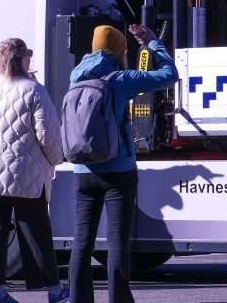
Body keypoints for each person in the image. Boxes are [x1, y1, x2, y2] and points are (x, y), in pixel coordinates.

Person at [68, 24, 179, 303]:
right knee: (117, 242)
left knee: (82, 241)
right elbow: (169, 76)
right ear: (118, 51)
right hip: (118, 171)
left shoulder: (76, 76)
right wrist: (153, 44)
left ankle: (79, 300)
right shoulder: (120, 79)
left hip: (82, 170)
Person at [0, 38, 69, 303]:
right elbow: (47, 134)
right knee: (35, 231)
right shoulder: (34, 90)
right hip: (26, 173)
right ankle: (54, 291)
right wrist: (57, 158)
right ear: (22, 59)